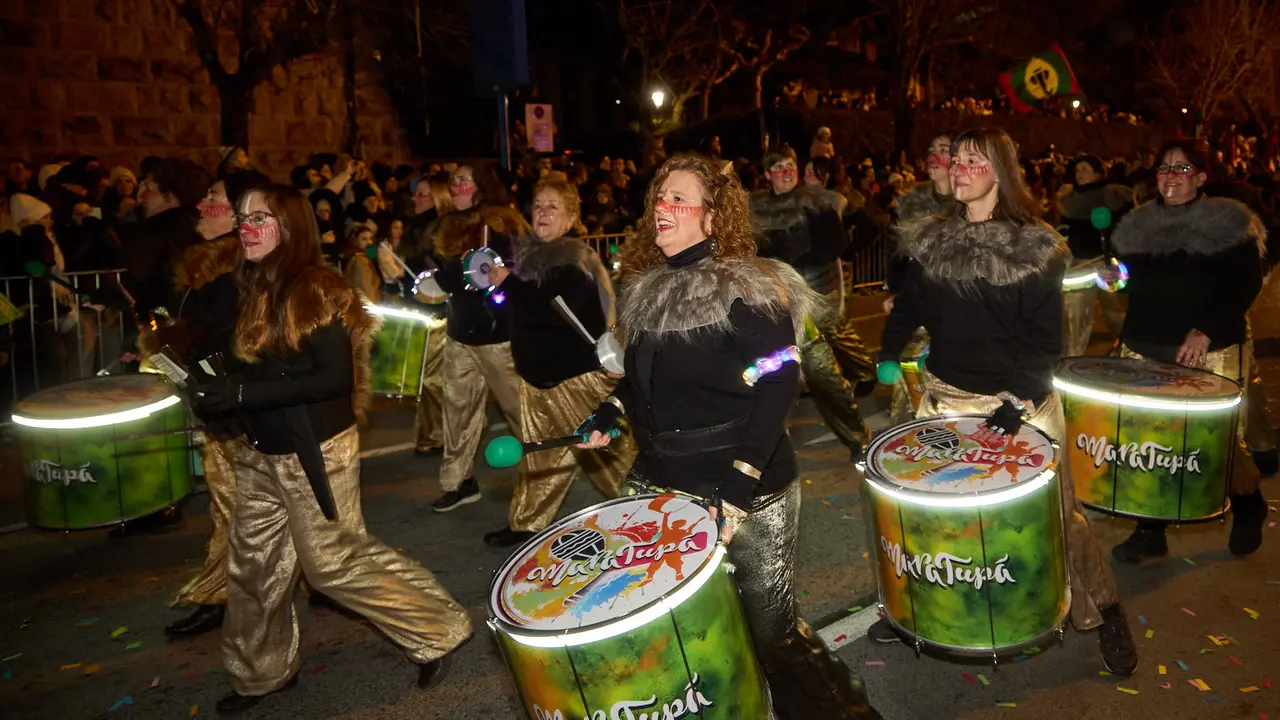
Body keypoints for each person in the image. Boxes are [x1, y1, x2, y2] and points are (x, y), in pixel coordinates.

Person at [579, 153, 882, 720]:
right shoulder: (647, 292)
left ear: (712, 217)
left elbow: (780, 379)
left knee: (773, 635)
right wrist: (609, 412)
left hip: (745, 486)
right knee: (684, 627)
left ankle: (845, 712)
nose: (662, 207)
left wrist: (741, 483)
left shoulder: (748, 287)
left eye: (678, 198)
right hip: (661, 483)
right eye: (660, 197)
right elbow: (643, 379)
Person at [191, 184, 471, 714]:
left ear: (289, 226)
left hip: (315, 451)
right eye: (243, 218)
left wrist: (243, 393)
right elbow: (242, 360)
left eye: (260, 218)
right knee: (252, 568)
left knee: (333, 564)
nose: (246, 228)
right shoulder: (247, 282)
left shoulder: (315, 287)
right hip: (259, 450)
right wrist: (210, 387)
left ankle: (438, 629)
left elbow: (333, 379)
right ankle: (261, 673)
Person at [876, 127, 1137, 675]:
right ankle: (930, 610)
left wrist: (1015, 404)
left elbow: (1042, 342)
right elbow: (911, 304)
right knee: (937, 519)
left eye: (974, 161)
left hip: (1018, 406)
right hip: (945, 401)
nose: (959, 169)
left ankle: (1105, 608)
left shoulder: (1035, 247)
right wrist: (887, 350)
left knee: (1059, 517)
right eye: (956, 159)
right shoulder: (934, 240)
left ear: (1000, 171)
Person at [1104, 139, 1269, 561]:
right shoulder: (1138, 224)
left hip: (1206, 349)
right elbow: (1126, 279)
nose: (1171, 175)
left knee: (1213, 443)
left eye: (1182, 168)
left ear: (1201, 177)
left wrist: (1206, 331)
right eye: (1164, 167)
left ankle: (1248, 506)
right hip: (1144, 344)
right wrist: (1113, 277)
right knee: (1145, 443)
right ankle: (1150, 529)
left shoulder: (1228, 223)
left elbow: (1246, 283)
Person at [482, 177, 637, 548]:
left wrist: (508, 285)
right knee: (540, 456)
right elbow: (520, 312)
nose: (543, 212)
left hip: (575, 378)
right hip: (536, 377)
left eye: (553, 206)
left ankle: (645, 506)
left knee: (607, 454)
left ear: (570, 218)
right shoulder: (528, 258)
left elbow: (554, 311)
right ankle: (527, 523)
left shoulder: (574, 260)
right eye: (538, 205)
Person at [144, 172, 263, 638]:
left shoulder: (240, 271)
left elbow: (234, 344)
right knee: (230, 509)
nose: (200, 204)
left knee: (264, 516)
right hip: (220, 408)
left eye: (213, 197)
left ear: (238, 214)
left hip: (242, 413)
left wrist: (186, 347)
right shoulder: (205, 266)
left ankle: (233, 598)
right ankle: (224, 594)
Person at [750, 145, 873, 459]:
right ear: (767, 174)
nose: (787, 171)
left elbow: (834, 243)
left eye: (791, 164)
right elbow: (751, 251)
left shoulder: (816, 200)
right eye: (779, 167)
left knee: (838, 335)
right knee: (821, 370)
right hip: (786, 303)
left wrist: (796, 267)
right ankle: (858, 439)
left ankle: (866, 377)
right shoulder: (755, 208)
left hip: (819, 292)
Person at [429, 165, 531, 512]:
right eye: (454, 180)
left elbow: (513, 271)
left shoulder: (500, 224)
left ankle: (543, 473)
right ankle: (458, 482)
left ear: (481, 187)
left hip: (497, 335)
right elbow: (447, 279)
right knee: (457, 413)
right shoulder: (447, 225)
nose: (455, 185)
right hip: (461, 333)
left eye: (464, 180)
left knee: (520, 410)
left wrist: (467, 275)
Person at [884, 132, 954, 423]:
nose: (934, 155)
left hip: (955, 308)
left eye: (943, 149)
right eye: (931, 148)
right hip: (916, 299)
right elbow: (897, 253)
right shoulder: (912, 203)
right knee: (906, 376)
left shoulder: (972, 202)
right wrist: (894, 290)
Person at [1057, 154, 1132, 352]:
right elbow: (1064, 229)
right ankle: (1071, 358)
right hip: (1080, 263)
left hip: (1109, 263)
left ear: (1098, 173)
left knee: (1115, 311)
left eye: (1085, 169)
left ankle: (1122, 351)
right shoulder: (1069, 199)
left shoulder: (1114, 195)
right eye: (1077, 169)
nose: (1079, 173)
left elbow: (1129, 228)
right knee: (1074, 315)